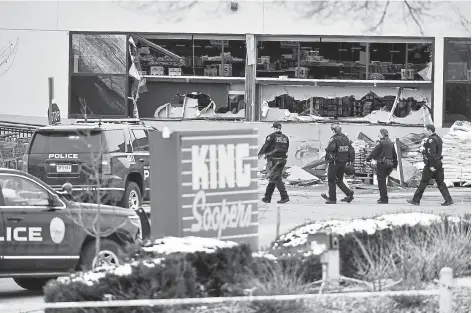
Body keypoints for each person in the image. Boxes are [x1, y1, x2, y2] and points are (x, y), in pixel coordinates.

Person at [408, 124, 453, 206]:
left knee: (423, 182)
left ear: (429, 130)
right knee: (440, 182)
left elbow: (432, 154)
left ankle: (416, 200)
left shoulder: (431, 140)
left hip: (431, 164)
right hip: (438, 163)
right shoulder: (438, 138)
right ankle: (448, 200)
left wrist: (431, 165)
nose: (423, 131)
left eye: (425, 130)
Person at [322, 123, 355, 204]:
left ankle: (332, 199)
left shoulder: (334, 139)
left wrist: (326, 149)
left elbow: (331, 148)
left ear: (334, 131)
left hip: (334, 162)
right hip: (343, 163)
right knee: (339, 180)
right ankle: (349, 193)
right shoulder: (346, 138)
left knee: (331, 180)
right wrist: (350, 161)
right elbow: (351, 151)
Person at [258, 122, 290, 204]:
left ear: (274, 128)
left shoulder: (271, 137)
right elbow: (286, 148)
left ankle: (284, 196)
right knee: (274, 178)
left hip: (274, 160)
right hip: (282, 160)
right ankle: (267, 197)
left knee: (276, 178)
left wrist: (259, 155)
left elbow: (266, 146)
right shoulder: (285, 137)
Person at [365, 128, 398, 204]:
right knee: (384, 181)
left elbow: (374, 152)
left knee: (381, 182)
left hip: (382, 163)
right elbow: (395, 155)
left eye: (379, 133)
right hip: (390, 164)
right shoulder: (391, 143)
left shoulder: (380, 143)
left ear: (382, 134)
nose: (378, 135)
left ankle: (384, 199)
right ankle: (384, 198)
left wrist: (367, 159)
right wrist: (395, 166)